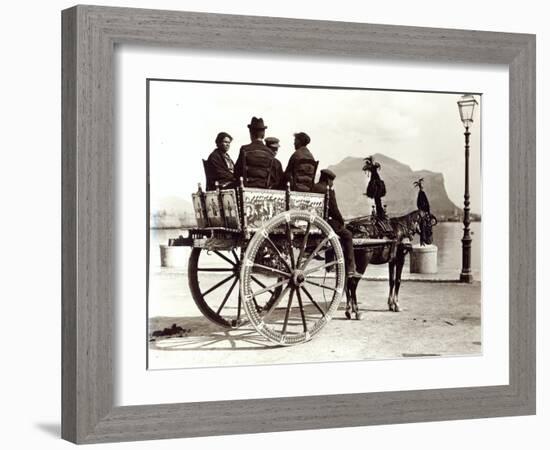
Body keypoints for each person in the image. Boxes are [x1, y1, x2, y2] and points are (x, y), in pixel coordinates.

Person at [312, 169, 362, 278]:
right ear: (327, 180)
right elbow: (334, 209)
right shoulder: (328, 191)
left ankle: (329, 265)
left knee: (331, 235)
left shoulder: (314, 188)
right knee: (348, 235)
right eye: (331, 181)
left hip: (314, 222)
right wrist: (341, 220)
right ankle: (350, 269)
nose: (332, 183)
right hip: (326, 222)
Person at [234, 117, 281, 189]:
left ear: (250, 132)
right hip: (265, 191)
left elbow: (237, 172)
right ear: (263, 134)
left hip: (247, 191)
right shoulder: (270, 153)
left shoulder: (244, 150)